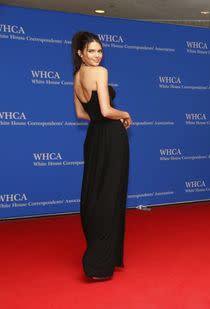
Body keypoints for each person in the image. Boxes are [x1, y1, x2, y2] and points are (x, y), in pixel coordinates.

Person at [72, 32, 131, 280]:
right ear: (80, 53)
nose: (97, 56)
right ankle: (100, 261)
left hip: (94, 137)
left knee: (96, 192)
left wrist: (102, 116)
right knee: (111, 193)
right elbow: (106, 110)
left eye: (99, 51)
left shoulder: (76, 77)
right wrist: (125, 113)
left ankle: (98, 253)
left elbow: (82, 115)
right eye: (91, 51)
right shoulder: (100, 72)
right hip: (111, 138)